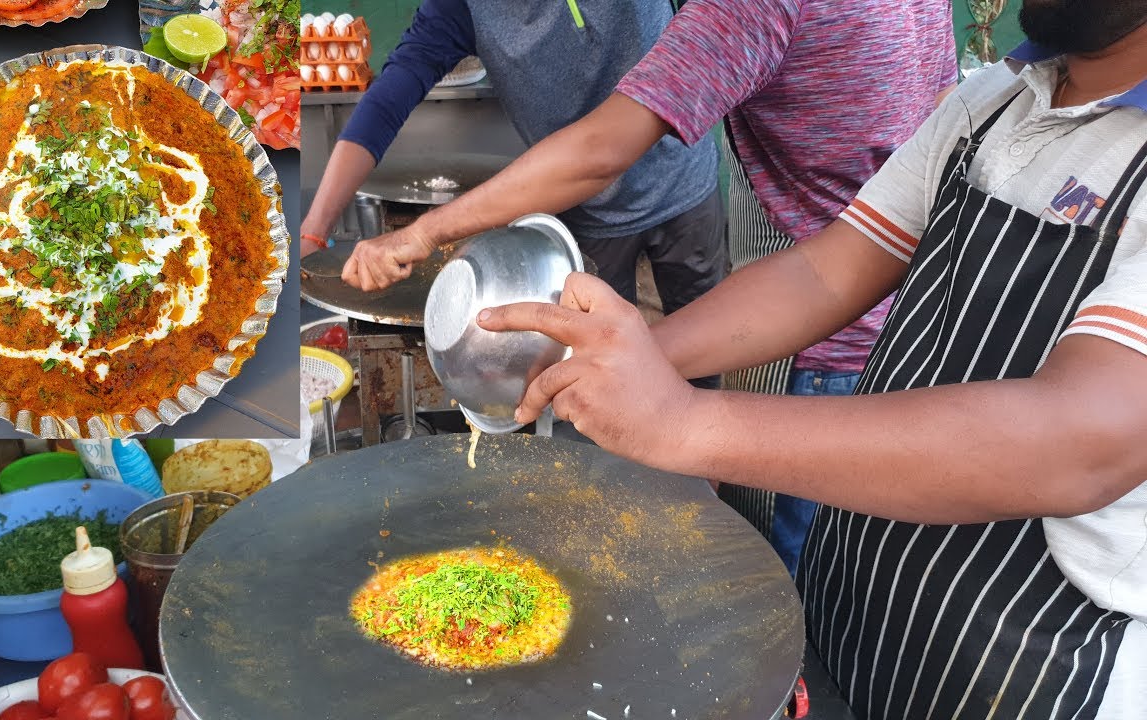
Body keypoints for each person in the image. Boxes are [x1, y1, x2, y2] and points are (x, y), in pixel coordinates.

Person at [475, 1, 1147, 716]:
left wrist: (686, 422)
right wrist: (633, 357)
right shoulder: (995, 101)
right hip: (860, 598)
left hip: (1028, 663)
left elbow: (1077, 443)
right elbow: (826, 273)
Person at [339, 0, 958, 574]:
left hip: (850, 353)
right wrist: (632, 359)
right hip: (915, 317)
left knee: (813, 595)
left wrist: (423, 235)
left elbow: (601, 149)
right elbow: (837, 262)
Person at [301, 0, 727, 327]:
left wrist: (424, 233)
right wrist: (314, 231)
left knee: (706, 338)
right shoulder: (463, 8)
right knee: (604, 368)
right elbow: (387, 100)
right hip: (587, 213)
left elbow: (601, 152)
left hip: (685, 185)